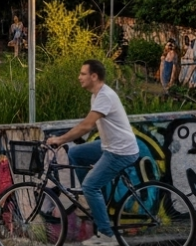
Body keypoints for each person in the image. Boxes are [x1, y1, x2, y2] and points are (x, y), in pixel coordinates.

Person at [45, 60, 140, 246]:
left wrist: (61, 139)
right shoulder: (96, 96)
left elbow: (87, 125)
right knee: (77, 153)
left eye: (83, 74)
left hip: (121, 150)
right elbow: (92, 122)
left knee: (90, 185)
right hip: (108, 145)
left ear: (94, 76)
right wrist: (75, 137)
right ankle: (94, 200)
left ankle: (106, 235)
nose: (79, 77)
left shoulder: (105, 95)